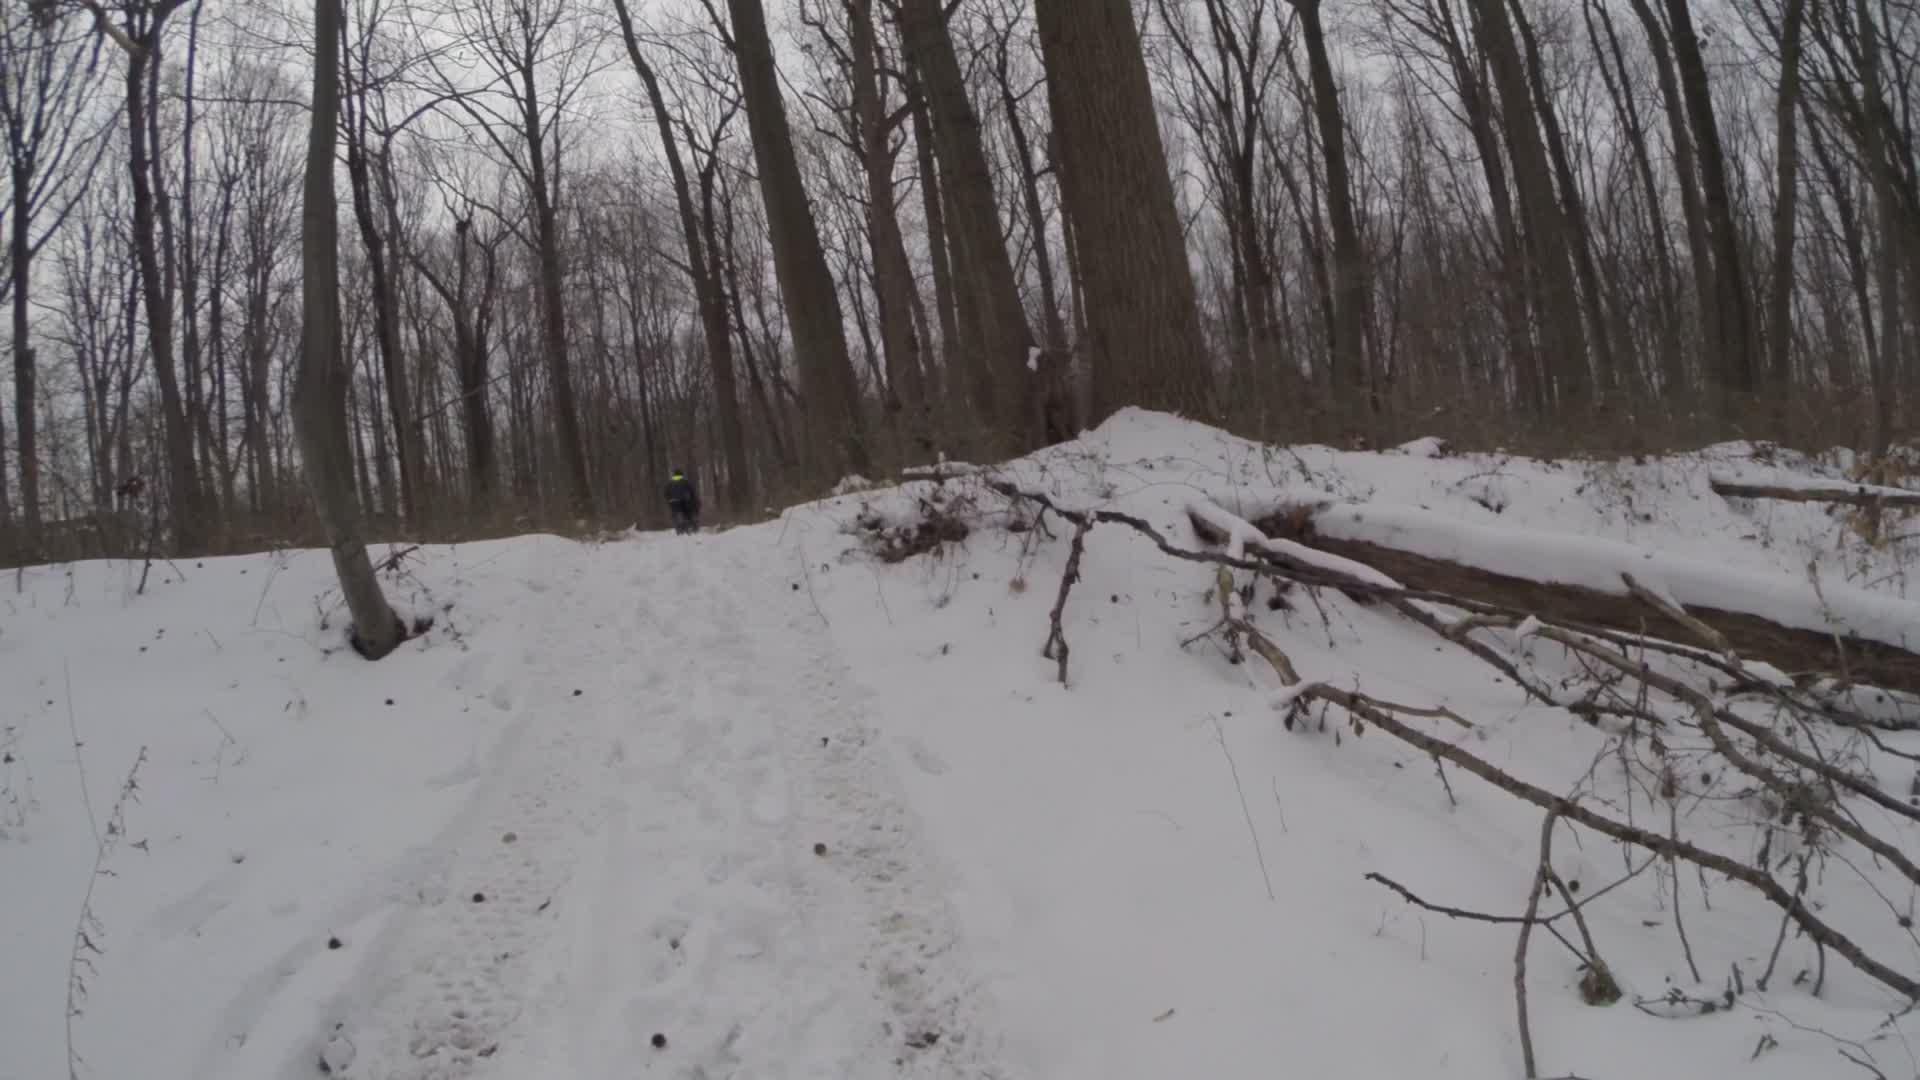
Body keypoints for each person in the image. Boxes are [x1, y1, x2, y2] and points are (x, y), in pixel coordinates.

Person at [664, 468, 700, 534]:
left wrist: (669, 500)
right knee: (687, 512)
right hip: (684, 500)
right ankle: (689, 526)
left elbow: (666, 493)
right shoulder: (685, 481)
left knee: (675, 514)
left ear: (674, 475)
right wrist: (693, 499)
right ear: (681, 474)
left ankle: (679, 528)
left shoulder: (669, 483)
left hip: (673, 501)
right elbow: (692, 491)